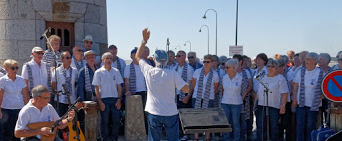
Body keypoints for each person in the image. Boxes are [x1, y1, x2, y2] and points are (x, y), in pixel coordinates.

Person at [135, 28, 189, 141]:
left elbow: (137, 57)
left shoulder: (149, 71)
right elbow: (186, 90)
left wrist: (144, 40)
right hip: (170, 112)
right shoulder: (173, 73)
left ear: (155, 60)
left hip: (154, 111)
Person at [292, 52, 324, 141]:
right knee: (300, 125)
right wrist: (294, 99)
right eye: (306, 58)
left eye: (308, 59)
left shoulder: (320, 72)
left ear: (315, 61)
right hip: (301, 104)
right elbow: (295, 85)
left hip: (313, 105)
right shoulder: (301, 71)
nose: (306, 60)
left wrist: (322, 95)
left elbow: (325, 87)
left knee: (311, 126)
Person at [93, 52, 123, 141]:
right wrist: (99, 101)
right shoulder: (98, 72)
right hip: (104, 100)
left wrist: (119, 99)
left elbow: (119, 86)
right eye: (106, 58)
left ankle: (114, 138)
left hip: (115, 99)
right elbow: (96, 88)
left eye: (110, 58)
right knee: (104, 121)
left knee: (116, 120)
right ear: (102, 60)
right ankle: (106, 138)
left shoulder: (116, 71)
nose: (108, 60)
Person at [256, 59, 288, 141]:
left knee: (274, 127)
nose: (270, 68)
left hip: (274, 106)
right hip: (262, 105)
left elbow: (284, 93)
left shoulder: (280, 78)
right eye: (268, 66)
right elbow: (258, 91)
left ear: (277, 68)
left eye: (273, 66)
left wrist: (283, 106)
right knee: (261, 126)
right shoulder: (262, 77)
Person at [190, 54, 219, 141]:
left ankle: (207, 137)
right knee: (197, 117)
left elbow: (215, 87)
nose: (206, 63)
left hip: (209, 98)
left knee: (208, 118)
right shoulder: (197, 71)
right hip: (197, 97)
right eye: (204, 61)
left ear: (212, 63)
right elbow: (193, 84)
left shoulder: (215, 74)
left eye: (208, 62)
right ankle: (196, 137)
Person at [0, 59, 30, 141]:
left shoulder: (21, 79)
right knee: (7, 132)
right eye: (13, 68)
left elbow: (25, 95)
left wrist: (28, 109)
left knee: (18, 131)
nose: (15, 70)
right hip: (6, 110)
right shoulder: (2, 81)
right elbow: (0, 96)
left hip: (20, 109)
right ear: (6, 69)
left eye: (17, 68)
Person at [77, 50, 101, 139]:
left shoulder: (99, 69)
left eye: (92, 56)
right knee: (89, 119)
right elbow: (80, 87)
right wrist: (82, 102)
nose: (91, 58)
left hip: (99, 97)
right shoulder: (82, 71)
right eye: (88, 57)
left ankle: (98, 136)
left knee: (99, 119)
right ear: (86, 59)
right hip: (88, 96)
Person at [221, 59, 243, 141]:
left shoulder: (240, 78)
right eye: (225, 67)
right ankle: (226, 139)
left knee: (235, 123)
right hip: (225, 102)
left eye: (227, 67)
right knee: (226, 122)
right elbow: (222, 90)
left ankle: (236, 139)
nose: (225, 69)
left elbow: (243, 91)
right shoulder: (224, 77)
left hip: (236, 103)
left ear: (234, 67)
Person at [52, 51, 78, 116]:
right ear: (62, 59)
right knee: (61, 118)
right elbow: (53, 84)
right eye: (67, 58)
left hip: (72, 100)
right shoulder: (57, 71)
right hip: (61, 100)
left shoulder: (75, 71)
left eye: (70, 57)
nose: (69, 59)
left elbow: (75, 84)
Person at [233, 54, 253, 140]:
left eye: (236, 61)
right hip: (233, 100)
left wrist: (243, 95)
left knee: (243, 120)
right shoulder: (231, 72)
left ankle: (243, 137)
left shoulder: (246, 72)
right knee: (234, 121)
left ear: (240, 62)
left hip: (244, 100)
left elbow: (250, 85)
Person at [277, 59, 295, 141]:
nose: (277, 68)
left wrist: (287, 94)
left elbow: (294, 87)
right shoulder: (275, 74)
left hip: (287, 102)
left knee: (287, 122)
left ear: (283, 67)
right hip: (276, 101)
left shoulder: (289, 74)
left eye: (279, 67)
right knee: (278, 123)